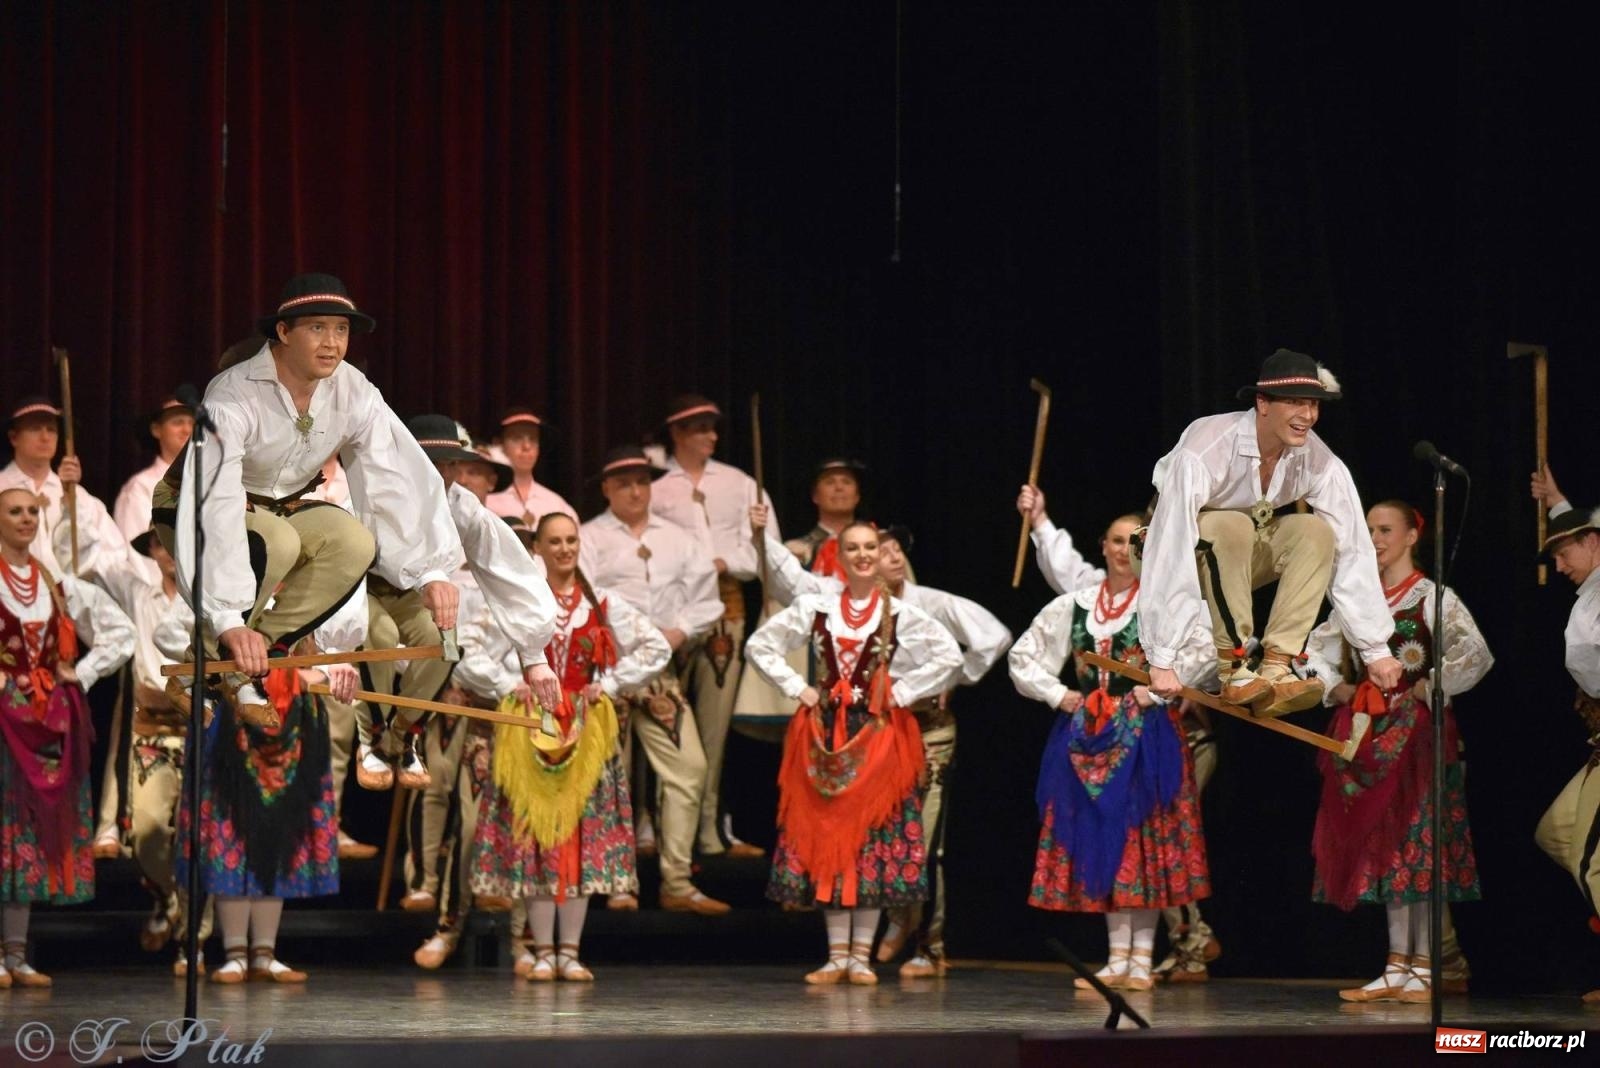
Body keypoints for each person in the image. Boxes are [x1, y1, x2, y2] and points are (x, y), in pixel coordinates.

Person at [158, 272, 463, 727]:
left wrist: (429, 570)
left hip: (278, 509)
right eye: (317, 327)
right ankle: (205, 666)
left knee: (353, 542)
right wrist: (225, 618)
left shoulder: (354, 390)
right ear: (283, 332)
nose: (333, 343)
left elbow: (392, 474)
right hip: (194, 503)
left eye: (341, 329)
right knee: (279, 541)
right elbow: (215, 497)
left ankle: (263, 650)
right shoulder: (234, 393)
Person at [752, 510, 1009, 977]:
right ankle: (835, 956)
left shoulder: (902, 613)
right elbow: (761, 645)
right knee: (833, 837)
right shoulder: (820, 606)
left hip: (877, 734)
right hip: (827, 733)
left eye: (870, 548)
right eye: (853, 549)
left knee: (871, 840)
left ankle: (860, 956)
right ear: (839, 557)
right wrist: (800, 688)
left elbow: (948, 655)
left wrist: (900, 694)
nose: (864, 556)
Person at [1018, 484, 1223, 982]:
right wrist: (1058, 694)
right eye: (1115, 539)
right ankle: (1115, 958)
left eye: (1135, 540)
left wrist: (1155, 693)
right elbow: (1024, 655)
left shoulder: (1166, 603)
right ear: (1103, 546)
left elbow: (1204, 653)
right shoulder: (1078, 603)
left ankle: (1140, 958)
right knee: (1104, 838)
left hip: (1147, 737)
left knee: (1144, 840)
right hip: (1091, 738)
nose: (1123, 549)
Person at [1137, 349, 1401, 714]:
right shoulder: (1208, 447)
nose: (1307, 416)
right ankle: (1235, 667)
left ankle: (1277, 666)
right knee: (1231, 524)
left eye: (1313, 404)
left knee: (1316, 532)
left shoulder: (1316, 459)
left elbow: (1353, 545)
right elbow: (1170, 544)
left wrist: (1375, 649)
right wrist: (1162, 656)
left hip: (1235, 562)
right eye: (1294, 403)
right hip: (1171, 558)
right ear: (1262, 403)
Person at [465, 513, 669, 980]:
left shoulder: (603, 604)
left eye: (571, 540)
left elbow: (656, 647)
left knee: (579, 836)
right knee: (538, 837)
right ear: (537, 548)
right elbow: (468, 647)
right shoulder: (521, 602)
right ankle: (540, 950)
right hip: (532, 729)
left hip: (584, 733)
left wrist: (611, 684)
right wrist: (506, 683)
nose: (564, 549)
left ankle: (570, 951)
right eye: (554, 542)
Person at [1304, 501, 1491, 1002]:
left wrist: (1427, 685)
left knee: (1418, 843)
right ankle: (1396, 965)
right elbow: (1313, 652)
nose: (1376, 538)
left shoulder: (1434, 597)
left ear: (1412, 536)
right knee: (1382, 847)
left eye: (1385, 529)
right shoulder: (1355, 599)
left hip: (1418, 734)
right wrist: (1336, 688)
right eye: (1368, 530)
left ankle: (1426, 966)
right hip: (1367, 734)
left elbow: (1474, 653)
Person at [579, 445, 729, 914]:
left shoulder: (680, 539)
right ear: (607, 489)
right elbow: (579, 595)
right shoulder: (590, 537)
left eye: (642, 481)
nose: (634, 491)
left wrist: (679, 629)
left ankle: (678, 881)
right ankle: (617, 880)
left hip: (659, 669)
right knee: (611, 776)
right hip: (606, 669)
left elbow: (706, 599)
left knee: (689, 769)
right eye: (623, 483)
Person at [0, 487, 135, 987]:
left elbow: (120, 632)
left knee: (28, 835)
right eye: (15, 511)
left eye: (33, 511)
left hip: (45, 722)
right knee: (3, 829)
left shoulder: (55, 584)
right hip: (2, 721)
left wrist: (82, 671)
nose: (26, 519)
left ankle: (16, 953)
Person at [650, 394, 775, 858]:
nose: (712, 436)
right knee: (667, 726)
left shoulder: (741, 484)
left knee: (714, 729)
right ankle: (663, 829)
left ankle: (709, 826)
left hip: (726, 608)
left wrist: (729, 559)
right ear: (680, 434)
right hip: (671, 614)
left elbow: (768, 550)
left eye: (713, 428)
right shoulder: (659, 491)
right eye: (702, 428)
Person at [1530, 464, 1600, 1003]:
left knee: (1589, 858)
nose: (1558, 566)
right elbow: (1581, 529)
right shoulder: (1590, 591)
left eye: (1564, 555)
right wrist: (1557, 502)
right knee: (1558, 831)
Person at [114, 396, 195, 541]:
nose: (187, 430)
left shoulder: (210, 481)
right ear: (156, 430)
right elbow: (136, 547)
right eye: (178, 422)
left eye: (192, 423)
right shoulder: (141, 486)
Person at [484, 406, 576, 525]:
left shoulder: (557, 505)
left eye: (533, 439)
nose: (527, 446)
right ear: (498, 444)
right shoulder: (485, 501)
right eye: (517, 438)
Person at [785, 458, 866, 580]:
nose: (839, 487)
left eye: (847, 482)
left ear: (857, 497)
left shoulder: (879, 545)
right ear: (815, 496)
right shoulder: (795, 550)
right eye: (829, 482)